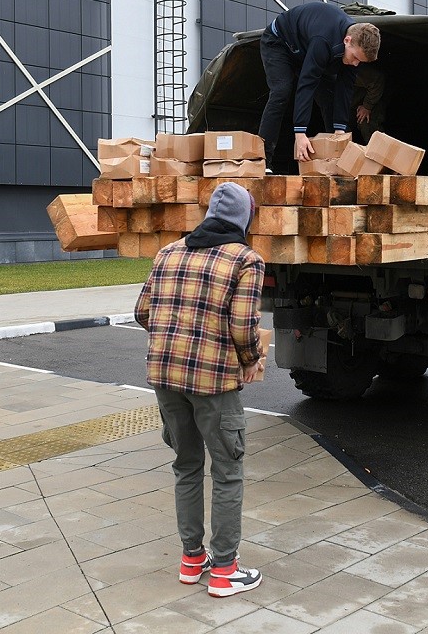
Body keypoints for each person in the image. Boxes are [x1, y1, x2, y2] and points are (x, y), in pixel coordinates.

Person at [134, 183, 266, 597]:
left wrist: (177, 336)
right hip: (214, 381)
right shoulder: (245, 259)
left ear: (209, 214)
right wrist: (251, 359)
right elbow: (243, 327)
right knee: (227, 471)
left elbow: (142, 312)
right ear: (244, 218)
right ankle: (225, 570)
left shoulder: (168, 253)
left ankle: (192, 559)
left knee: (186, 465)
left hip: (164, 377)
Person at [258, 2, 381, 170]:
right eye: (355, 58)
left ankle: (338, 161)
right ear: (347, 41)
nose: (355, 64)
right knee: (281, 92)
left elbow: (345, 89)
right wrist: (300, 133)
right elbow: (307, 83)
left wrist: (340, 131)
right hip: (280, 42)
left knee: (328, 97)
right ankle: (263, 161)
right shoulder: (323, 41)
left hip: (306, 48)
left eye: (360, 61)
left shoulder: (353, 50)